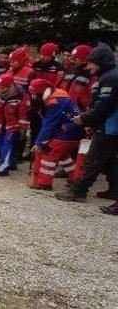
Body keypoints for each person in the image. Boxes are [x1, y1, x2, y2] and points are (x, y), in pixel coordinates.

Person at [55, 43, 118, 204]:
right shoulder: (105, 77)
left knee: (93, 158)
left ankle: (79, 191)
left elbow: (104, 105)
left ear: (101, 62)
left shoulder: (111, 78)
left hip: (110, 126)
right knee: (109, 159)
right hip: (106, 125)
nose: (89, 66)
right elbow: (96, 102)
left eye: (91, 63)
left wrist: (84, 118)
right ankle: (114, 190)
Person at [27, 79, 84, 190]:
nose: (33, 97)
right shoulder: (56, 94)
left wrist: (39, 143)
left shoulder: (53, 102)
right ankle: (76, 180)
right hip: (73, 130)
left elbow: (49, 124)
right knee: (63, 156)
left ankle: (45, 183)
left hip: (68, 132)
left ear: (42, 92)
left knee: (49, 154)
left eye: (35, 94)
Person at [0, 73, 30, 176]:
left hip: (13, 126)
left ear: (9, 85)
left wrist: (23, 129)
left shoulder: (20, 95)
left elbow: (23, 113)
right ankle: (11, 164)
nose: (0, 89)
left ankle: (3, 169)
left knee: (6, 146)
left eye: (3, 87)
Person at [7, 47, 37, 160]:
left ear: (20, 61)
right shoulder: (10, 70)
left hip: (23, 106)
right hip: (10, 106)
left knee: (22, 130)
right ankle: (11, 151)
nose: (11, 63)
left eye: (13, 61)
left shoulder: (30, 73)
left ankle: (18, 154)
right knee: (12, 128)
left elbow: (32, 92)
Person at [56, 45, 95, 112]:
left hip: (81, 115)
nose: (71, 61)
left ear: (85, 60)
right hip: (64, 111)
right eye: (72, 57)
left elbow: (92, 99)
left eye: (75, 58)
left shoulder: (92, 75)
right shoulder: (70, 71)